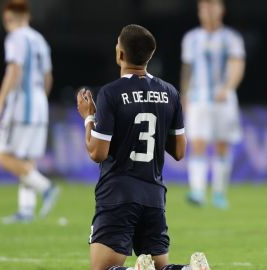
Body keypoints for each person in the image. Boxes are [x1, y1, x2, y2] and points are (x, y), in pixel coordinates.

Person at [77, 24, 210, 270]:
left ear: (121, 55)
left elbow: (97, 152)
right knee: (160, 267)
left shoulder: (111, 94)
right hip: (153, 196)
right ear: (149, 55)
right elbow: (180, 152)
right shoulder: (170, 93)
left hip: (117, 195)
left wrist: (88, 118)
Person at [0, 0, 58, 224]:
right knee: (26, 160)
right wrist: (41, 100)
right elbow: (49, 77)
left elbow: (14, 69)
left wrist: (0, 103)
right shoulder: (40, 39)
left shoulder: (16, 38)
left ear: (8, 18)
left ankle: (46, 187)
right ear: (27, 16)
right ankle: (26, 210)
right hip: (39, 104)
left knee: (3, 155)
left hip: (21, 105)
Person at [180, 0, 246, 209]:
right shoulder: (191, 38)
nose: (207, 10)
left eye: (212, 6)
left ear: (221, 10)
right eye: (203, 7)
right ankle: (198, 192)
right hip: (198, 98)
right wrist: (185, 94)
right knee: (197, 143)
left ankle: (219, 193)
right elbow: (187, 68)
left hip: (223, 99)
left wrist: (227, 88)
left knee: (221, 145)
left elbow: (237, 64)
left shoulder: (231, 38)